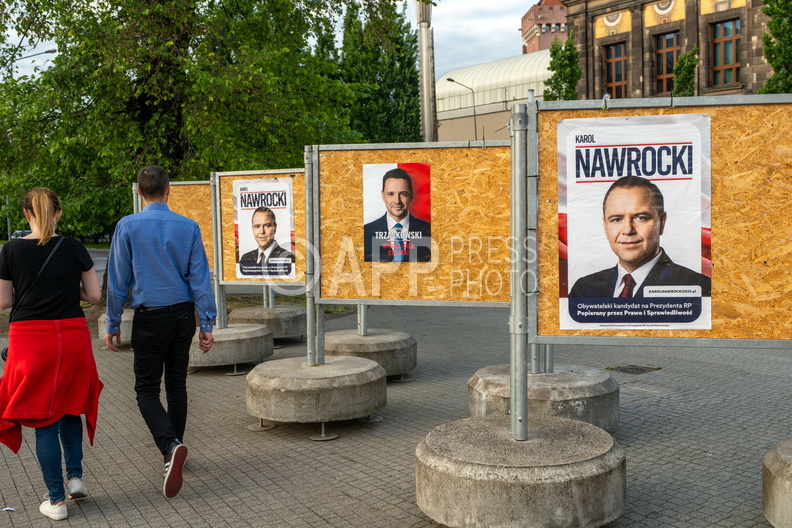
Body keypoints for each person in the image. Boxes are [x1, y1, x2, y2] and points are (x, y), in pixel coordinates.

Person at [104, 166, 216, 499]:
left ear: (139, 192)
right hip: (182, 315)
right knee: (177, 385)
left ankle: (170, 446)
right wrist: (206, 323)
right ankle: (175, 449)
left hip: (149, 318)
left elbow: (118, 280)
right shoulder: (189, 226)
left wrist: (112, 323)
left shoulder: (127, 226)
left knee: (146, 390)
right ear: (169, 190)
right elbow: (200, 278)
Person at [0, 188, 103, 521]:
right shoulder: (74, 248)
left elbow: (3, 301)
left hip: (31, 339)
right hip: (72, 336)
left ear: (26, 214)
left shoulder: (11, 250)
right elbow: (94, 295)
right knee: (70, 406)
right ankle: (75, 478)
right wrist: (65, 288)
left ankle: (56, 501)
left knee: (43, 419)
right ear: (59, 212)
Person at [569, 175, 711, 298]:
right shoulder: (583, 290)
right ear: (605, 227)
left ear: (662, 223)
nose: (628, 230)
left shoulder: (699, 288)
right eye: (616, 219)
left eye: (640, 218)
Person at [363, 168, 431, 262]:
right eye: (391, 194)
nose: (397, 201)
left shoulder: (429, 231)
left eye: (403, 194)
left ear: (411, 195)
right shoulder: (365, 232)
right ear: (383, 196)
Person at [238, 206, 295, 275]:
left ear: (275, 228)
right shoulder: (245, 258)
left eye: (267, 225)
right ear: (252, 229)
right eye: (257, 226)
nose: (262, 231)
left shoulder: (288, 257)